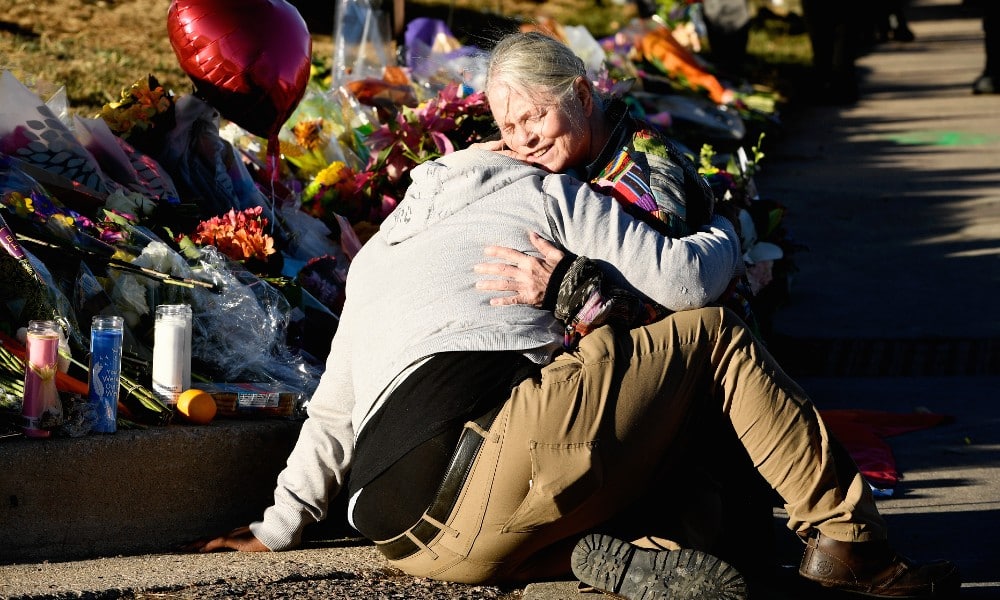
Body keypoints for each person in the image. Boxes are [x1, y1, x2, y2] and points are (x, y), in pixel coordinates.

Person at [190, 146, 959, 600]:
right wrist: (733, 224)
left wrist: (275, 530)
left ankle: (630, 555)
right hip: (490, 458)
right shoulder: (537, 190)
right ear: (500, 154)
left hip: (412, 539)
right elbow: (686, 285)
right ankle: (852, 544)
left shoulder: (377, 259)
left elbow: (332, 416)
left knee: (595, 413)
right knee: (710, 339)